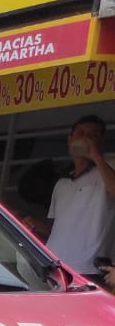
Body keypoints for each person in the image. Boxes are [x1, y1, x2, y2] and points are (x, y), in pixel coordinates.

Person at [46, 115, 115, 277]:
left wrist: (96, 156)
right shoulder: (62, 184)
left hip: (90, 269)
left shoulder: (109, 167)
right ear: (70, 139)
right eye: (81, 133)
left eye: (93, 135)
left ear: (101, 142)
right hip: (55, 267)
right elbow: (58, 228)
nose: (86, 138)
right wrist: (30, 224)